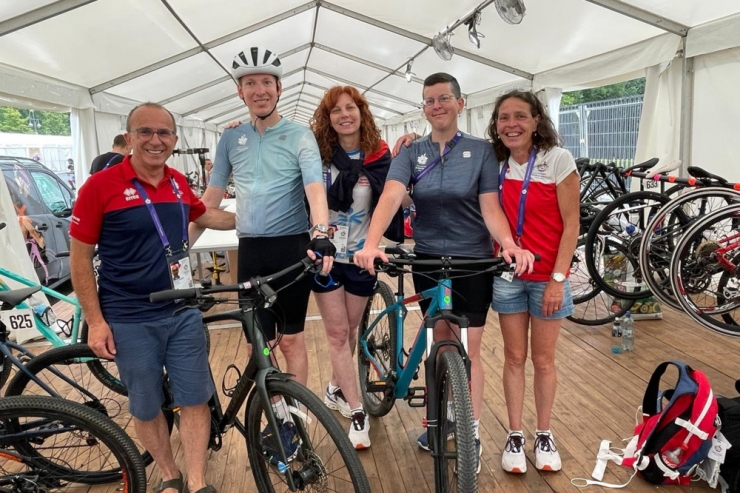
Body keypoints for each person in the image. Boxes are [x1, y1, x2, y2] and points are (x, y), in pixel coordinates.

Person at [353, 73, 534, 474]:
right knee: (442, 339)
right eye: (429, 101)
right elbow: (393, 194)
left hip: (471, 260)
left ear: (460, 103)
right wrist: (371, 242)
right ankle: (444, 414)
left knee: (468, 347)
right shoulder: (410, 151)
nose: (436, 106)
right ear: (424, 108)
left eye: (443, 99)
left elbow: (490, 206)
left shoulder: (482, 150)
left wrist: (508, 243)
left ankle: (467, 426)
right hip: (430, 258)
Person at [69, 102, 235, 493]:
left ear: (174, 141)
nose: (155, 140)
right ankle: (169, 476)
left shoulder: (178, 182)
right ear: (129, 138)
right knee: (144, 405)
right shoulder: (100, 187)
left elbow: (206, 215)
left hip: (181, 310)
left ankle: (196, 481)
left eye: (163, 133)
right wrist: (95, 321)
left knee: (194, 397)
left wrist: (262, 215)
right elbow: (79, 259)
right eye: (145, 132)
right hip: (129, 317)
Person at [194, 46, 335, 390]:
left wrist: (320, 231)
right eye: (250, 83)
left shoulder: (300, 135)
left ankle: (294, 419)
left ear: (279, 88)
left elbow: (315, 188)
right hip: (251, 252)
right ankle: (274, 413)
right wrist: (176, 244)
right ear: (239, 91)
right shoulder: (230, 137)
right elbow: (208, 200)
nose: (260, 90)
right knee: (256, 344)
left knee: (290, 341)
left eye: (267, 82)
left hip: (291, 250)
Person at [487, 90, 579, 474]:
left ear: (536, 121)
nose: (512, 124)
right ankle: (514, 433)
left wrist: (558, 279)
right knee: (513, 358)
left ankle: (543, 432)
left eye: (520, 116)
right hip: (509, 277)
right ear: (496, 125)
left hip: (546, 278)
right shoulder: (494, 163)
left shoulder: (557, 159)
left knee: (543, 360)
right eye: (504, 118)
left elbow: (572, 224)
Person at [308, 85, 404, 449]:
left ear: (362, 112)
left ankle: (335, 387)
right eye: (336, 110)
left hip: (362, 257)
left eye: (351, 108)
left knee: (349, 332)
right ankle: (358, 410)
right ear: (327, 118)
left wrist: (408, 143)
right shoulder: (316, 156)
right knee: (336, 335)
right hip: (327, 258)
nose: (344, 115)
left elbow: (396, 194)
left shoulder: (379, 156)